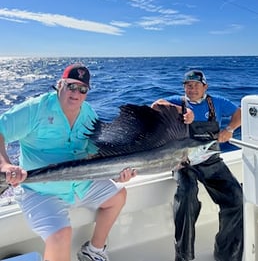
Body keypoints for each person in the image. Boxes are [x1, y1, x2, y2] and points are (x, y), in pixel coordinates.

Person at [0, 63, 137, 261]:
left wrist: (117, 172)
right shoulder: (36, 109)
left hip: (80, 183)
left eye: (82, 89)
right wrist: (5, 165)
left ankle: (94, 251)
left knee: (118, 195)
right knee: (60, 235)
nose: (76, 93)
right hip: (40, 190)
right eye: (71, 86)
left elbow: (96, 152)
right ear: (59, 84)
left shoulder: (88, 114)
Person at [151, 70, 243, 261]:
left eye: (196, 85)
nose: (192, 89)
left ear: (205, 87)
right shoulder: (178, 101)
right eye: (188, 85)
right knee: (187, 197)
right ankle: (183, 257)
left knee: (236, 199)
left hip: (210, 160)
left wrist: (229, 128)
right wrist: (181, 111)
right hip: (184, 163)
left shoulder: (217, 102)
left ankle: (226, 255)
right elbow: (156, 104)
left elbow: (240, 112)